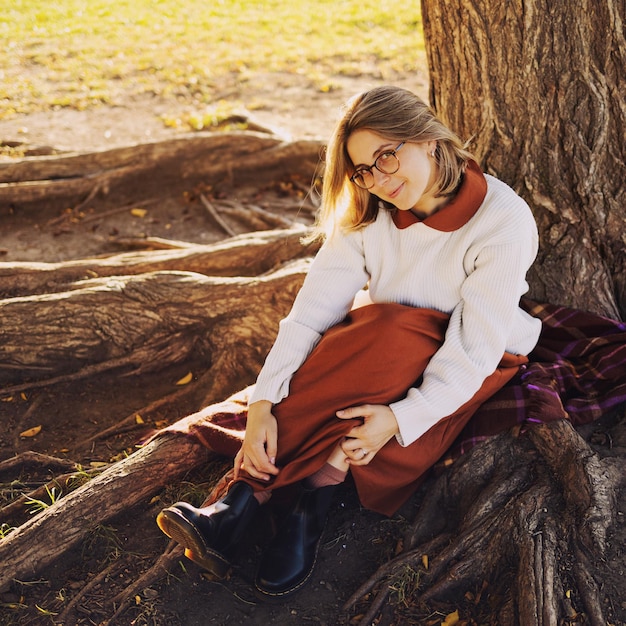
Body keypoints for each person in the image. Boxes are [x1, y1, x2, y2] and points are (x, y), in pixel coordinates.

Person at [156, 85, 542, 599]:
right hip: (382, 348)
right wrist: (264, 402)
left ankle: (251, 501)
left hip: (476, 353)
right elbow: (312, 312)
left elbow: (472, 349)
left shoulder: (502, 220)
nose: (379, 179)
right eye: (363, 169)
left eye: (388, 156)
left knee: (391, 332)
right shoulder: (369, 210)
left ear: (427, 138)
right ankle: (303, 503)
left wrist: (404, 418)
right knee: (381, 332)